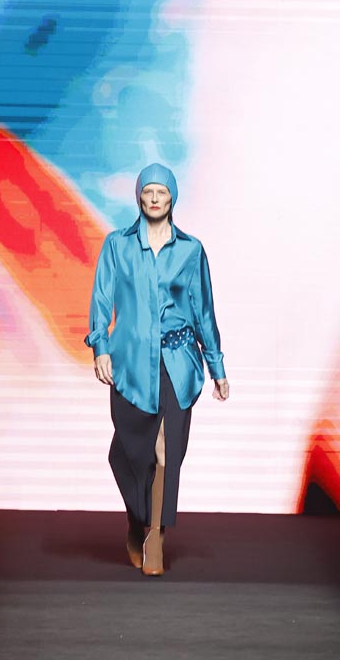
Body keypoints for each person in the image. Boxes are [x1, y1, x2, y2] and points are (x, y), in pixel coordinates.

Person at [86, 163, 230, 576]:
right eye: (148, 191)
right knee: (129, 453)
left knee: (168, 451)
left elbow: (203, 310)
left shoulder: (191, 250)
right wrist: (100, 348)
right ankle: (137, 520)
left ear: (172, 198)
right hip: (130, 362)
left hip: (177, 361)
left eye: (161, 192)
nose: (154, 198)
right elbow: (102, 299)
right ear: (138, 196)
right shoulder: (117, 245)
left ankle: (155, 537)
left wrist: (217, 366)